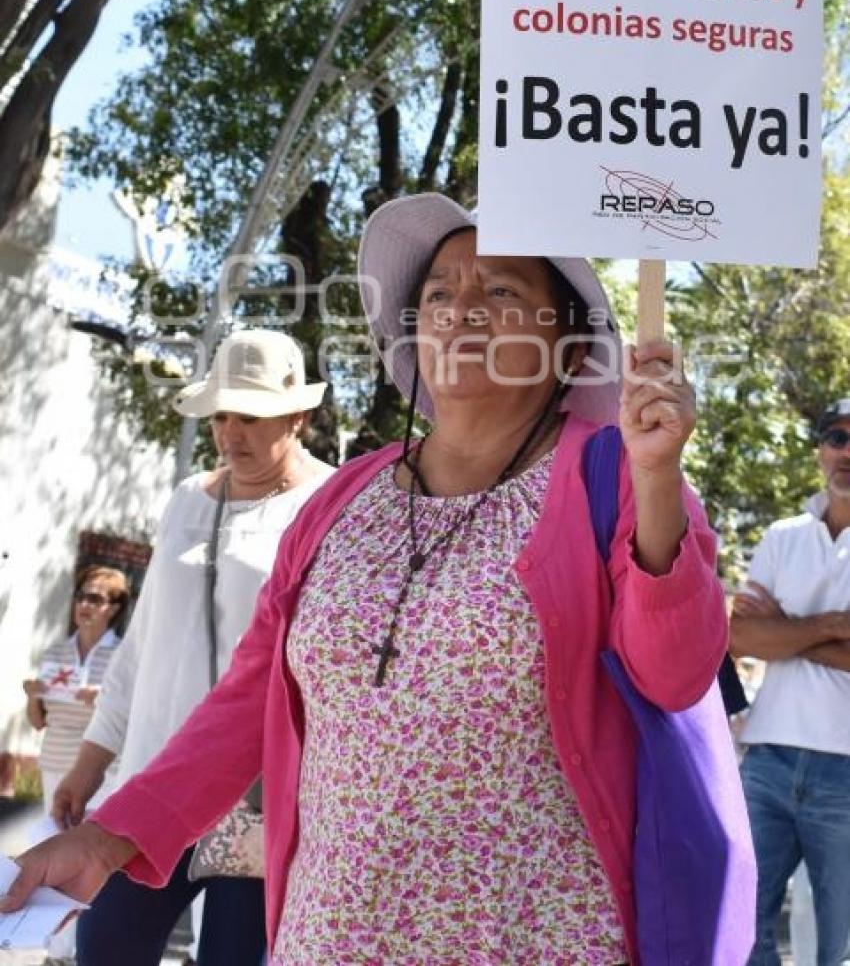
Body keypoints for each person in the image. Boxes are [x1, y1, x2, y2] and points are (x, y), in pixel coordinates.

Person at [2, 194, 729, 965]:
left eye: (502, 290)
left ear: (570, 342)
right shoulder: (343, 499)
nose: (461, 309)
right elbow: (249, 700)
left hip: (537, 939)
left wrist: (657, 481)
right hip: (333, 938)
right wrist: (109, 836)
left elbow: (675, 673)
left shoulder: (616, 479)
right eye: (440, 291)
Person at [41, 329, 334, 966]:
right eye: (222, 414)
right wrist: (92, 762)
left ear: (299, 415)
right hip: (152, 786)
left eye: (251, 416)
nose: (231, 432)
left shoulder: (330, 507)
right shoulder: (185, 499)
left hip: (258, 797)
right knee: (105, 948)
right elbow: (143, 645)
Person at [730, 397, 850, 966]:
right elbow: (740, 639)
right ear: (821, 450)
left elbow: (765, 634)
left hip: (846, 769)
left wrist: (784, 628)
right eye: (836, 437)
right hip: (767, 759)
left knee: (839, 945)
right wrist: (831, 626)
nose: (846, 451)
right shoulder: (782, 535)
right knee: (742, 929)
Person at [23, 565, 129, 813]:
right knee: (54, 841)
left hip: (100, 771)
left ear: (113, 608)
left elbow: (133, 714)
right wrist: (31, 697)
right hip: (54, 762)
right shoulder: (55, 653)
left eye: (95, 599)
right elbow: (38, 722)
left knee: (86, 847)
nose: (84, 604)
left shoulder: (123, 657)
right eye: (81, 596)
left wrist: (102, 698)